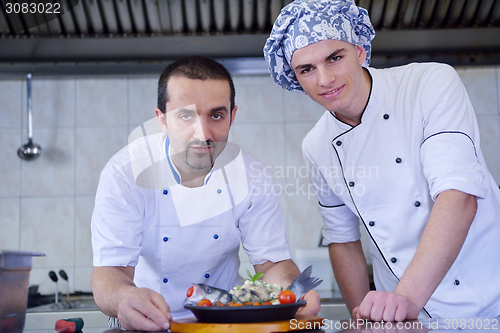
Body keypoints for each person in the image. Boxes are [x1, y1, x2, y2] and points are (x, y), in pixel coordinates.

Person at [264, 0, 500, 322]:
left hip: (489, 298)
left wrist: (405, 299)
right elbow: (342, 240)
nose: (324, 79)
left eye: (335, 58)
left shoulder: (429, 83)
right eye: (307, 69)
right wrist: (365, 320)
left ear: (360, 51)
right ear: (295, 79)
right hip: (405, 319)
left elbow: (458, 197)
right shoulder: (316, 146)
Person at [91, 56, 320, 331]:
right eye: (185, 115)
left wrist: (292, 291)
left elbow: (272, 265)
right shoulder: (125, 172)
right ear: (161, 119)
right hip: (146, 324)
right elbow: (109, 272)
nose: (203, 133)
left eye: (216, 115)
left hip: (222, 323)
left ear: (232, 117)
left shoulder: (250, 174)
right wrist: (124, 298)